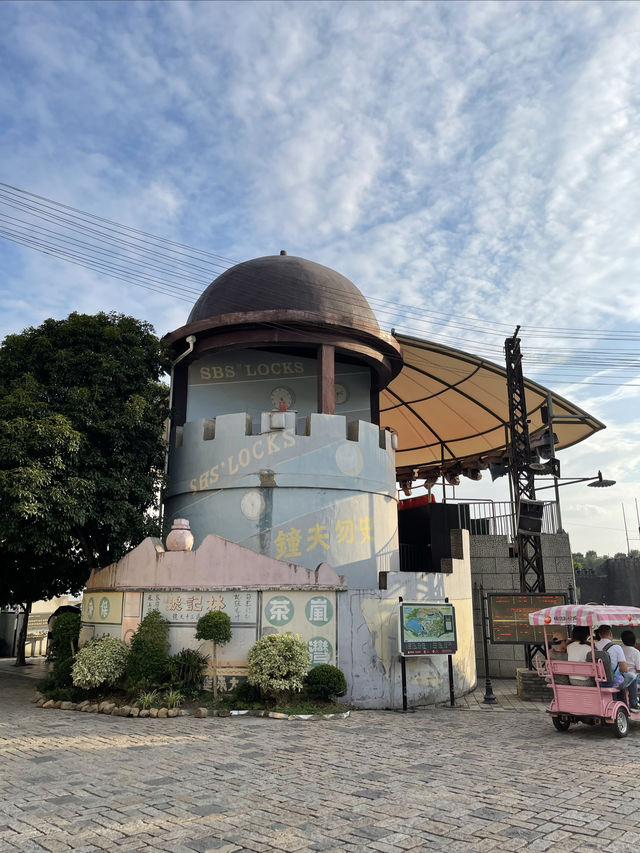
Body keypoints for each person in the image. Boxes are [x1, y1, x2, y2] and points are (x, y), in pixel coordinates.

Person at [596, 625, 638, 710]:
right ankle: (633, 704)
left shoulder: (594, 647)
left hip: (598, 681)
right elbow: (624, 669)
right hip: (613, 682)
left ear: (599, 635)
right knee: (633, 677)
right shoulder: (616, 647)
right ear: (611, 634)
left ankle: (616, 700)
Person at [621, 629, 640, 703]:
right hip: (634, 677)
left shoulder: (620, 649)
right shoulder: (636, 652)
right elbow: (639, 669)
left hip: (622, 676)